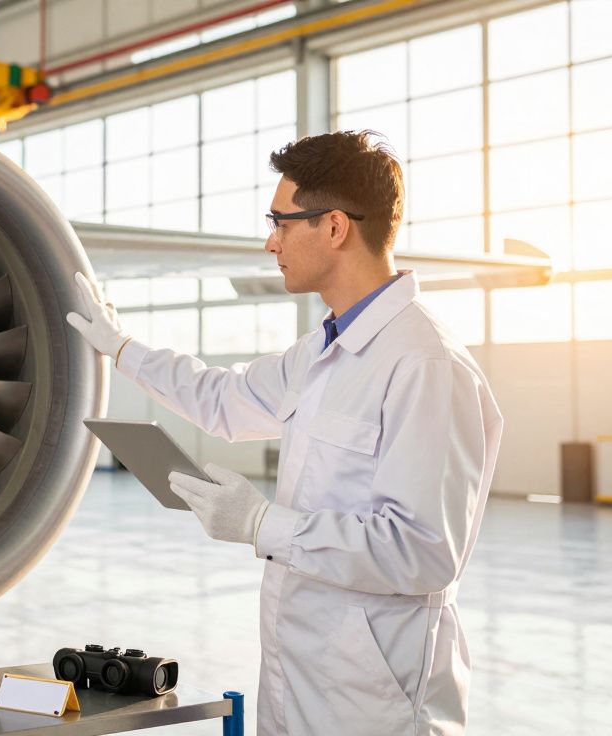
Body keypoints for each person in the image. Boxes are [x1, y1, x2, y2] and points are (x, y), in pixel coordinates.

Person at [66, 131, 502, 736]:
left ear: (334, 227)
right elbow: (224, 399)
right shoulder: (325, 351)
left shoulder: (426, 366)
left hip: (376, 696)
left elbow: (423, 551)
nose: (271, 242)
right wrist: (122, 349)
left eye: (281, 223)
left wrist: (260, 524)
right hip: (301, 671)